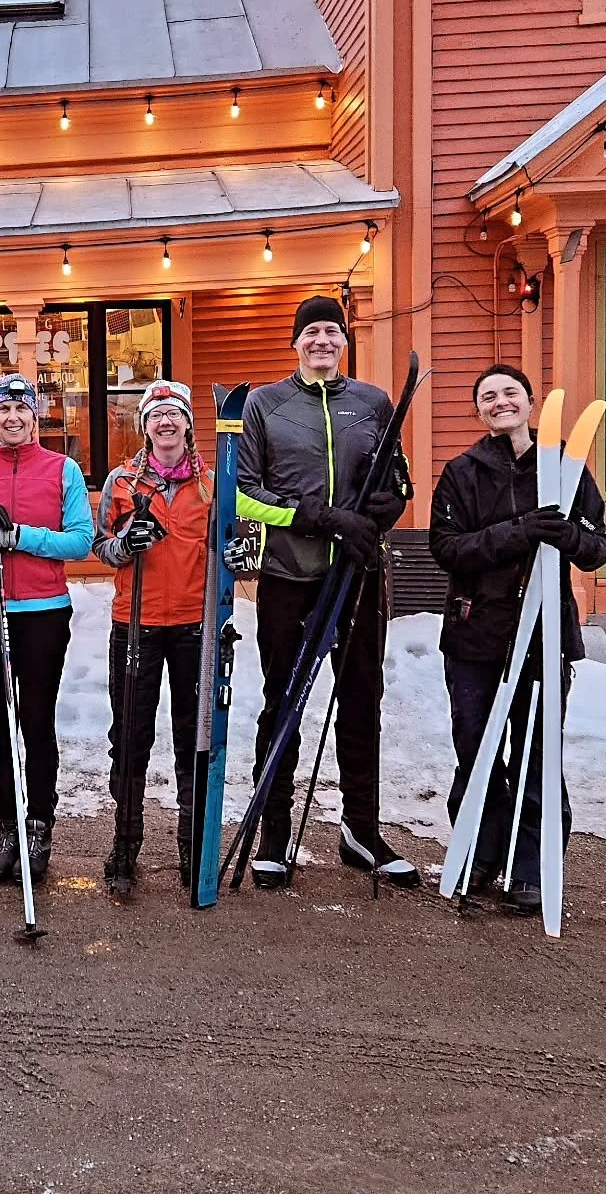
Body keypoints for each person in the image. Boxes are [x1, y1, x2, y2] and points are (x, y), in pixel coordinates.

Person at [235, 295, 416, 890]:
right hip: (291, 575)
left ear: (344, 342)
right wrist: (313, 516)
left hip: (360, 575)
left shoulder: (373, 403)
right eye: (311, 332)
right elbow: (241, 494)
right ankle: (275, 833)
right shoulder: (266, 405)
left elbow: (397, 478)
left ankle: (361, 829)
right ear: (296, 342)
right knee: (282, 700)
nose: (322, 341)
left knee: (362, 698)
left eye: (332, 332)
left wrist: (381, 512)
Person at [429, 364, 606, 915]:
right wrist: (519, 531)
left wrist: (569, 535)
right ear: (479, 410)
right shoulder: (462, 471)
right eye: (489, 396)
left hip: (544, 637)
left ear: (529, 402)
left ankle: (530, 865)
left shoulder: (566, 470)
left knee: (536, 755)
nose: (500, 402)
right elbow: (447, 548)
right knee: (477, 752)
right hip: (475, 635)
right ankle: (480, 855)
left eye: (510, 392)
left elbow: (598, 547)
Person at [0, 373, 94, 885]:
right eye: (3, 410)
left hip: (42, 611)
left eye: (22, 409)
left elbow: (81, 541)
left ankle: (39, 825)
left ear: (36, 415)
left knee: (34, 721)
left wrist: (17, 536)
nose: (12, 418)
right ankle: (6, 824)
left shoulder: (63, 469)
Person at [92, 380, 212, 895]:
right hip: (135, 622)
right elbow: (98, 544)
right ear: (144, 425)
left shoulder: (211, 483)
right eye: (156, 414)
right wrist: (125, 544)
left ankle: (193, 843)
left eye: (175, 414)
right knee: (132, 736)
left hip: (192, 626)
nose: (166, 422)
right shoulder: (122, 481)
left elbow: (233, 540)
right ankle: (126, 842)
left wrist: (242, 554)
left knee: (192, 735)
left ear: (187, 423)